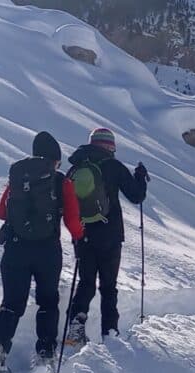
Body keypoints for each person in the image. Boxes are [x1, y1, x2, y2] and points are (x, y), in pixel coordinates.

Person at [0, 132, 84, 373]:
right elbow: (72, 220)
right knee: (48, 302)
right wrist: (80, 237)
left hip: (16, 249)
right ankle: (45, 357)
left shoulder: (18, 177)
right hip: (47, 252)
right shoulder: (62, 182)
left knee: (11, 303)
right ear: (55, 160)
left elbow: (1, 211)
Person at [65, 128, 148, 345]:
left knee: (85, 283)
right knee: (108, 286)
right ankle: (109, 332)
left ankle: (76, 327)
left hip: (82, 234)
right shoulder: (113, 166)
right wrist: (140, 177)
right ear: (110, 147)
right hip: (110, 235)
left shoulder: (76, 168)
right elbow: (136, 196)